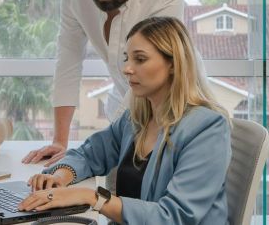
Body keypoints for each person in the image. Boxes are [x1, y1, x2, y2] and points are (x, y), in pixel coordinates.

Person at [18, 17, 231, 225]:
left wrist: (91, 197)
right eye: (127, 58)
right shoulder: (136, 119)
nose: (127, 68)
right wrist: (60, 177)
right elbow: (90, 154)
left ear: (173, 64)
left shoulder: (207, 129)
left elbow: (174, 216)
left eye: (140, 59)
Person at [22, 0, 184, 166]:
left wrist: (96, 149)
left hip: (171, 106)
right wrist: (60, 141)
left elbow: (150, 75)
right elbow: (68, 63)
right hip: (123, 98)